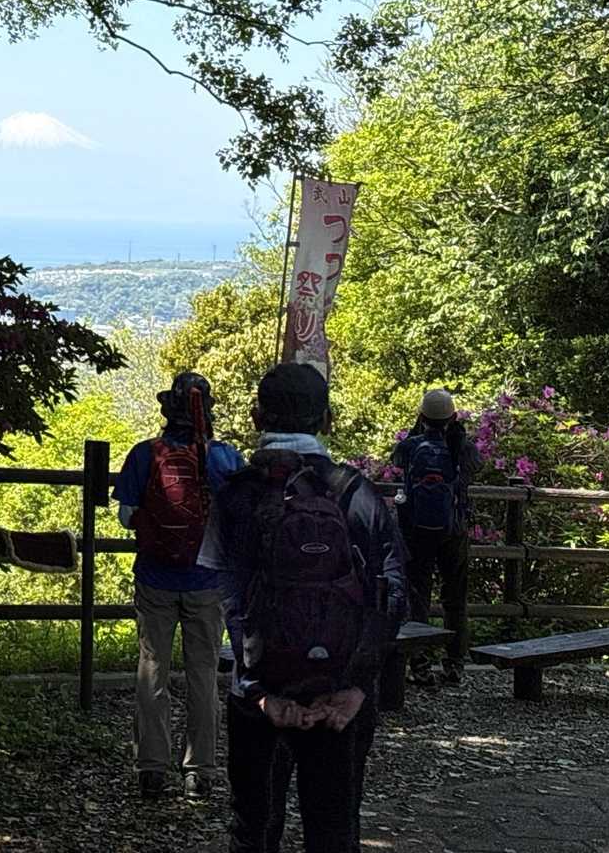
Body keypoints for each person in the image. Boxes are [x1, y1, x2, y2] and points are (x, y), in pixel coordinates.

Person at [217, 362, 407, 853]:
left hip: (261, 693)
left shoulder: (238, 494)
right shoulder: (355, 492)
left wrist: (258, 691)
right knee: (334, 827)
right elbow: (393, 593)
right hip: (339, 690)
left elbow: (228, 596)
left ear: (257, 417)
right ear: (327, 419)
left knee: (253, 826)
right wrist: (357, 688)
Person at [113, 371, 244, 801]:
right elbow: (240, 519)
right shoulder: (225, 457)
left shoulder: (145, 454)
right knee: (203, 673)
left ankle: (151, 768)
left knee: (152, 668)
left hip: (155, 578)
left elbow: (126, 516)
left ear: (167, 408)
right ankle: (199, 771)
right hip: (207, 581)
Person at [391, 388, 481, 686]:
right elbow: (477, 466)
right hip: (454, 530)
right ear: (453, 417)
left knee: (418, 595)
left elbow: (396, 460)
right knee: (455, 597)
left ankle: (420, 665)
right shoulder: (463, 448)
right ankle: (454, 665)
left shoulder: (410, 446)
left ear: (422, 416)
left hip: (416, 530)